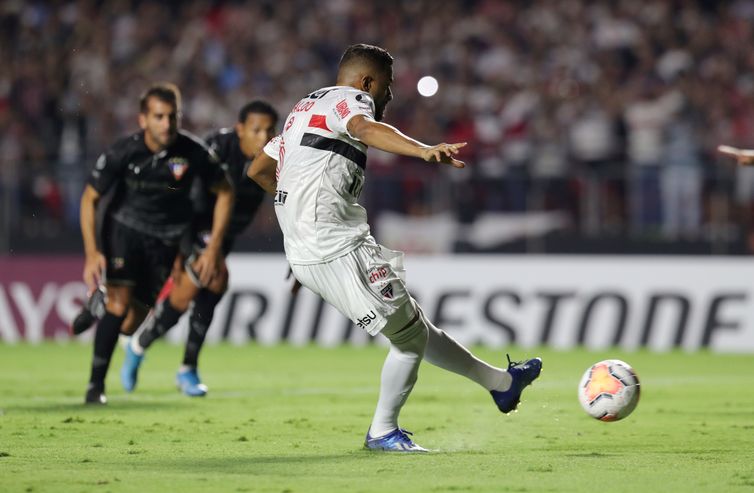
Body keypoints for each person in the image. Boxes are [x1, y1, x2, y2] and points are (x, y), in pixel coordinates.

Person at [247, 44, 542, 452]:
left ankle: (502, 384)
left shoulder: (303, 111)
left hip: (313, 247)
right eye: (387, 86)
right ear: (367, 82)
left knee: (413, 327)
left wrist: (295, 216)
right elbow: (365, 129)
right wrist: (422, 150)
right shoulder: (352, 101)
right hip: (334, 247)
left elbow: (258, 169)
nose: (389, 96)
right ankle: (383, 431)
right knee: (407, 341)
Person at [80, 82, 234, 404]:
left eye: (173, 117)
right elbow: (90, 198)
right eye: (159, 117)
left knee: (130, 324)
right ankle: (96, 387)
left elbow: (225, 191)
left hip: (164, 242)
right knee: (119, 306)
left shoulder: (193, 153)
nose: (167, 124)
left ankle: (100, 302)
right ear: (143, 120)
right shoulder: (123, 151)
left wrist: (214, 245)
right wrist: (93, 252)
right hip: (125, 231)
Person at [118, 101, 279, 396]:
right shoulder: (214, 149)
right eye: (257, 130)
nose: (264, 136)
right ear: (240, 129)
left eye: (270, 130)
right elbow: (183, 195)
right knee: (215, 277)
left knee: (193, 293)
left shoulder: (275, 156)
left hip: (224, 233)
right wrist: (180, 248)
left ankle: (140, 345)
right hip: (192, 223)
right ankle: (186, 368)